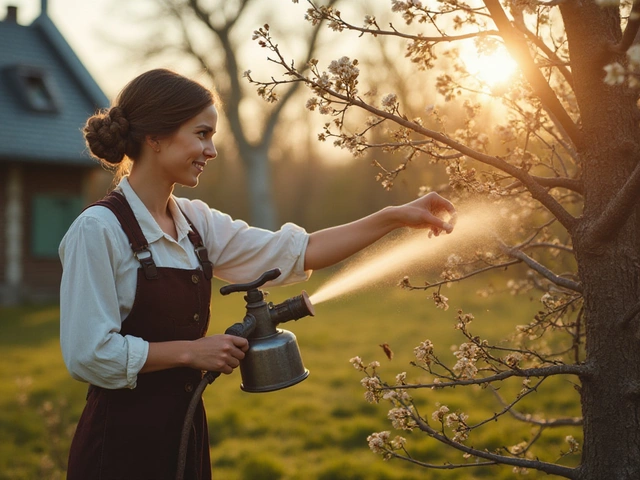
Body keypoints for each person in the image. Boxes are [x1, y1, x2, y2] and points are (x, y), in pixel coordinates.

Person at [59, 68, 455, 480]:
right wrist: (191, 351)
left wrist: (393, 217)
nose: (211, 150)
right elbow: (88, 354)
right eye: (201, 134)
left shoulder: (196, 224)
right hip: (119, 448)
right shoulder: (98, 230)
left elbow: (299, 252)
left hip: (184, 435)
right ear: (155, 137)